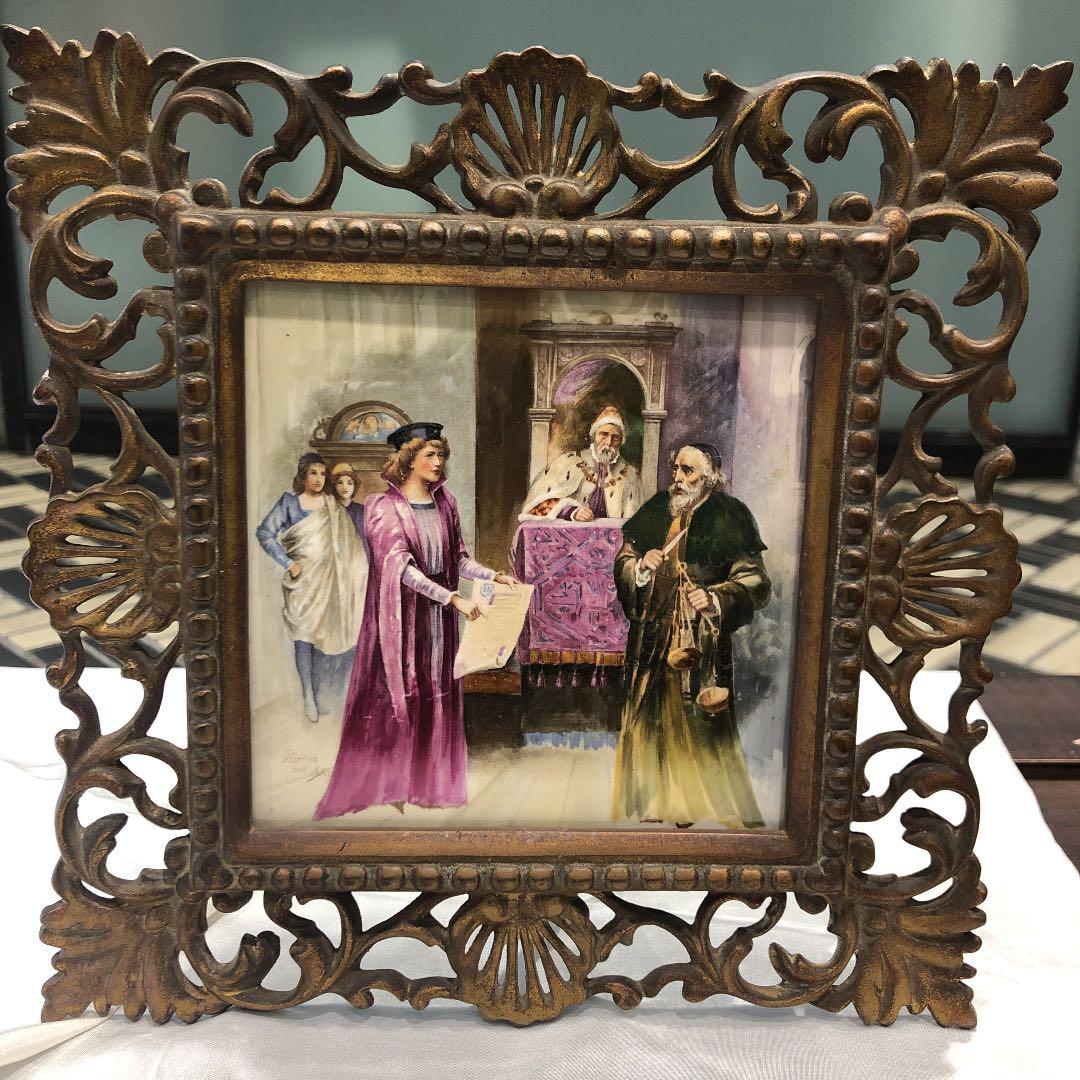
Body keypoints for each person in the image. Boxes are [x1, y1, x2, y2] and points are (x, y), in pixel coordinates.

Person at [315, 422, 517, 818]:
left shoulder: (446, 503)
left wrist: (494, 576)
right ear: (409, 460)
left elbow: (459, 559)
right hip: (402, 622)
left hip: (438, 623)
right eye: (430, 455)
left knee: (435, 691)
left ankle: (427, 786)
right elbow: (401, 571)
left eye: (441, 455)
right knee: (401, 694)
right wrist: (452, 598)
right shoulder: (383, 508)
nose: (439, 462)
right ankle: (390, 786)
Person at [612, 443, 770, 828]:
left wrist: (715, 597)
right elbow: (624, 560)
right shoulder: (657, 507)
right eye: (676, 469)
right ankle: (652, 801)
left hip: (701, 639)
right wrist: (641, 568)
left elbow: (756, 582)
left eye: (688, 471)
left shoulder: (730, 514)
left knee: (696, 717)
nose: (678, 479)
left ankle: (694, 805)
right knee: (649, 715)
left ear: (710, 478)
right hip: (652, 634)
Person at [255, 452, 368, 723]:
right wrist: (288, 563)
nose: (318, 479)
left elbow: (349, 543)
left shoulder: (332, 505)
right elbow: (265, 533)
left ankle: (316, 695)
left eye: (322, 474)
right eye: (313, 473)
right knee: (303, 637)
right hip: (302, 583)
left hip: (330, 583)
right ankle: (307, 695)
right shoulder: (289, 503)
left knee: (320, 639)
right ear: (302, 475)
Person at [520, 405, 643, 521]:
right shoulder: (569, 462)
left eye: (615, 437)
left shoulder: (630, 473)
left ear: (621, 441)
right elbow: (535, 506)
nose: (609, 442)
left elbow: (636, 521)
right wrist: (570, 511)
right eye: (604, 434)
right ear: (594, 436)